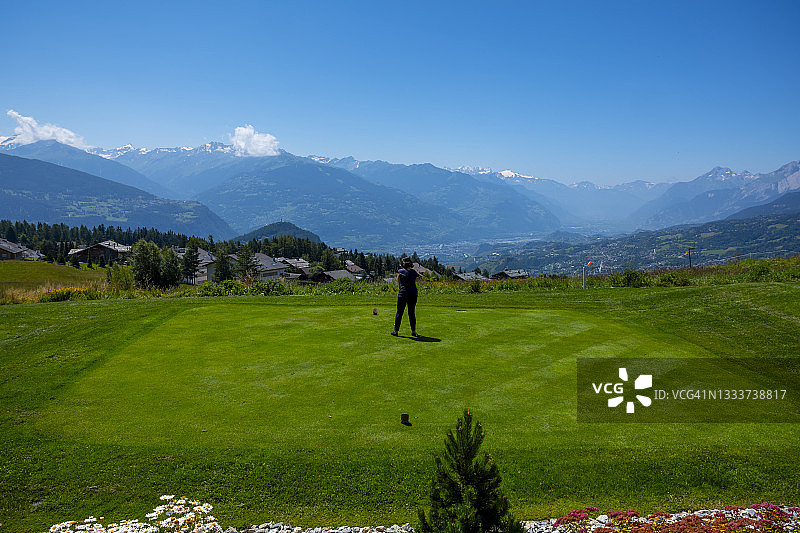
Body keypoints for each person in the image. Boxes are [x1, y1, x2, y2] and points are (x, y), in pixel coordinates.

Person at [391, 257, 419, 337]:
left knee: (399, 312)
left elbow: (399, 282)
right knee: (411, 313)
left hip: (403, 293)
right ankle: (413, 331)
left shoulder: (400, 272)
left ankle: (396, 331)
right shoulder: (414, 272)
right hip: (413, 293)